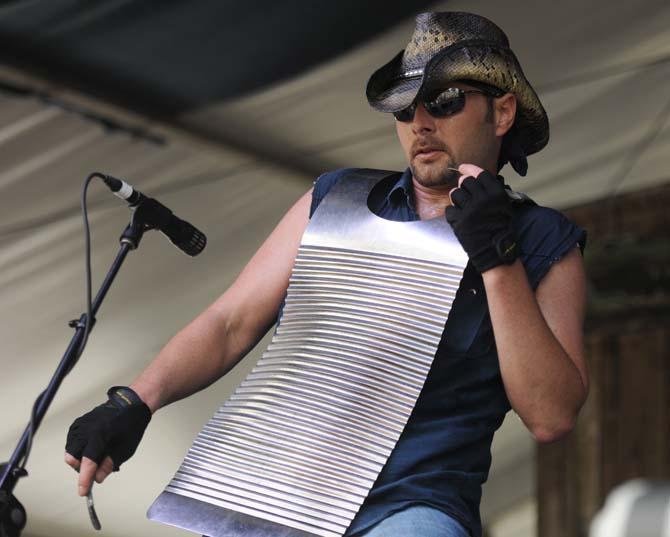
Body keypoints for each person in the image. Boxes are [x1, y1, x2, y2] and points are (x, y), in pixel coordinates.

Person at [65, 11, 588, 537]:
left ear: (501, 113)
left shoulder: (544, 240)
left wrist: (498, 258)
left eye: (444, 102)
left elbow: (551, 415)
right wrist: (135, 400)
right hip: (272, 489)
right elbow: (231, 321)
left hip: (406, 510)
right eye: (404, 108)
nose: (420, 123)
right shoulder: (336, 197)